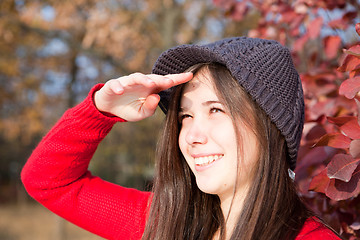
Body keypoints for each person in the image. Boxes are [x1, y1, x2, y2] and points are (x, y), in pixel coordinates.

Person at [21, 37, 342, 240]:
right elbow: (48, 181)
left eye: (216, 110)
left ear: (271, 127)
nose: (191, 136)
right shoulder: (164, 222)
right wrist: (99, 110)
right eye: (185, 116)